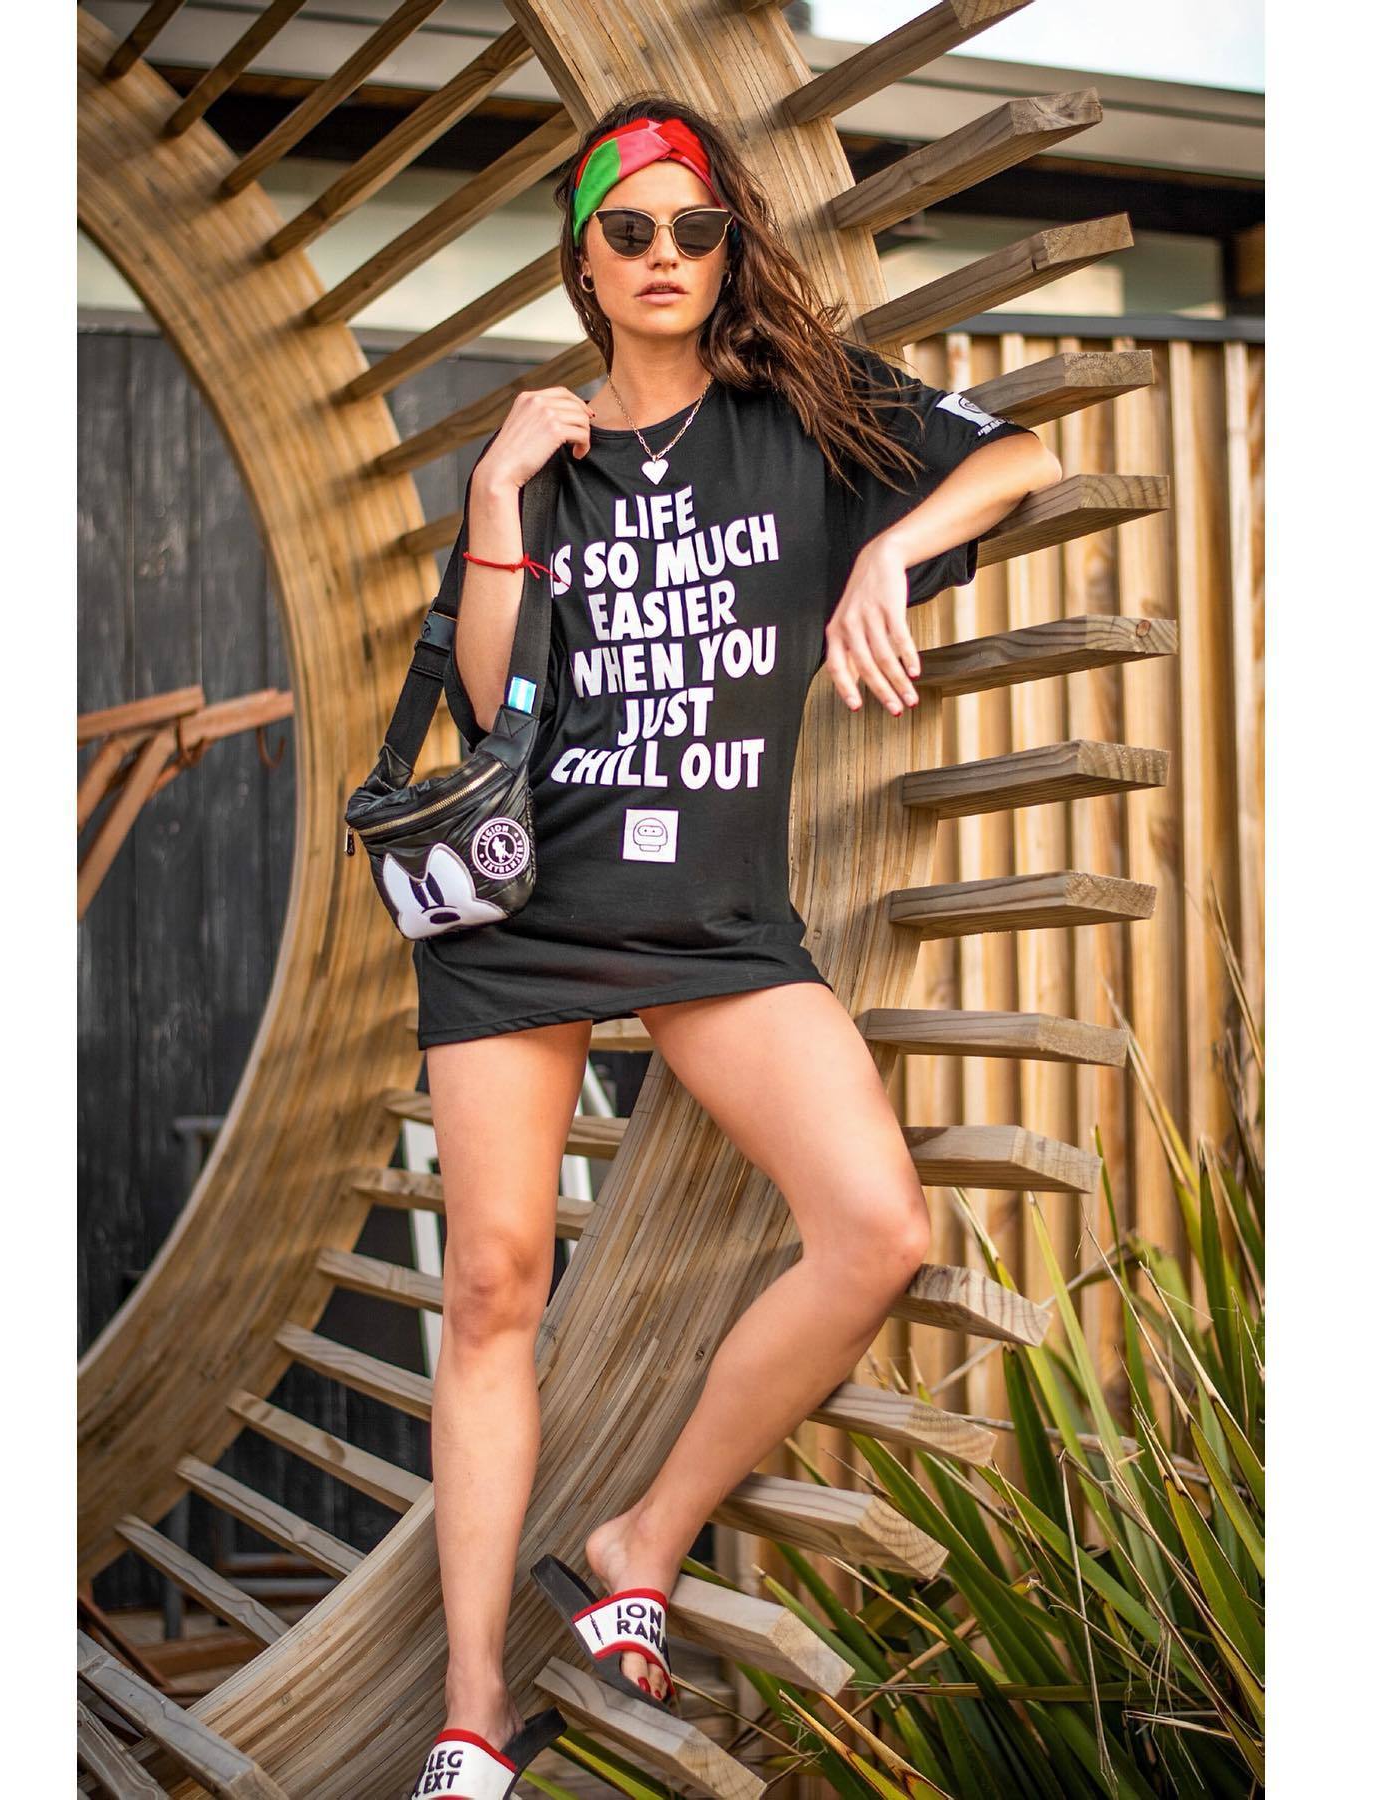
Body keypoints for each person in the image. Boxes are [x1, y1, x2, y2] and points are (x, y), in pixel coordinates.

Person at [408, 95, 1062, 1794]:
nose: (665, 256)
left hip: (716, 926)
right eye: (629, 230)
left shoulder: (805, 420)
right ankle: (471, 1708)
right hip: (522, 923)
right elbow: (487, 702)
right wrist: (495, 489)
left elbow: (1021, 456)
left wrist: (890, 553)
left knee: (877, 1230)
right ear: (583, 257)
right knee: (492, 1285)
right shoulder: (541, 458)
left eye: (695, 231)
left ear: (727, 251)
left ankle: (642, 1540)